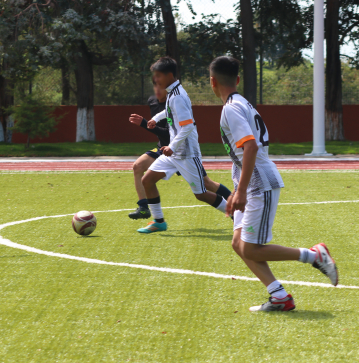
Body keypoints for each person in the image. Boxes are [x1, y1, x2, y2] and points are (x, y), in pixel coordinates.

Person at [209, 56, 338, 312]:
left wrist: (242, 190)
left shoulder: (231, 108)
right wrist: (236, 191)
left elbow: (250, 146)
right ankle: (279, 296)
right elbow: (244, 151)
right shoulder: (242, 102)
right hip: (248, 181)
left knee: (252, 249)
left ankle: (314, 255)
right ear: (236, 80)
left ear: (212, 82)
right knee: (238, 244)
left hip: (259, 184)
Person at [137, 57, 228, 233]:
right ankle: (159, 222)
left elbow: (188, 126)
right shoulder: (173, 92)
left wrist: (171, 146)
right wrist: (155, 119)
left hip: (186, 153)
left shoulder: (177, 96)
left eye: (158, 76)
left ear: (169, 75)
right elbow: (169, 110)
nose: (156, 80)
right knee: (147, 180)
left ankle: (238, 217)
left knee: (201, 194)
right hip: (174, 153)